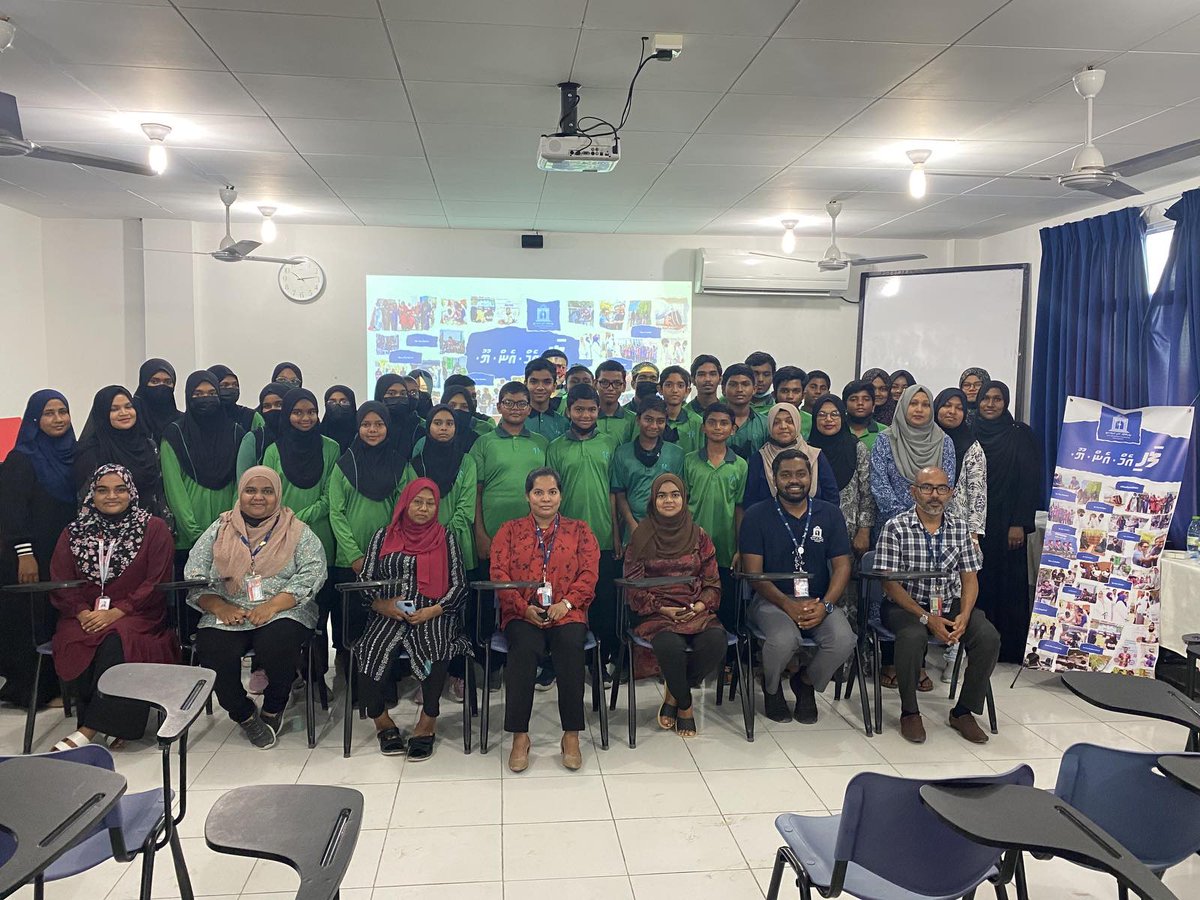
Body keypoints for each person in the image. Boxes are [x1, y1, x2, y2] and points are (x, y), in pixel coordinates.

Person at [186, 467, 325, 749]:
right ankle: (243, 713)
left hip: (284, 608)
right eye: (251, 490)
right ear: (240, 493)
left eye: (267, 491)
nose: (258, 497)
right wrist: (218, 606)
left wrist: (273, 605)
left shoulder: (297, 531)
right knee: (212, 646)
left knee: (278, 640)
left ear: (278, 494)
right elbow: (195, 575)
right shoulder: (220, 529)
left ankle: (274, 706)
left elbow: (313, 572)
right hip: (230, 607)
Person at [48, 465, 178, 749]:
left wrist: (117, 611)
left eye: (120, 489)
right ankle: (107, 723)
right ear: (91, 494)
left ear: (131, 492)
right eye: (102, 490)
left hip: (139, 614)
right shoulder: (74, 531)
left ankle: (89, 730)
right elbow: (61, 580)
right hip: (82, 615)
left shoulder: (153, 527)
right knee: (78, 640)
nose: (111, 496)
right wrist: (83, 612)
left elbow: (155, 581)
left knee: (117, 640)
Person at [874, 466, 999, 745]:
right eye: (927, 488)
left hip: (950, 602)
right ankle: (910, 712)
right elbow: (889, 584)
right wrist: (926, 617)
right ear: (913, 492)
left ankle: (964, 711)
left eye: (942, 489)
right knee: (912, 635)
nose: (935, 495)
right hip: (905, 606)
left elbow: (970, 579)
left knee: (988, 636)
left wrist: (965, 615)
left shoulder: (960, 528)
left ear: (951, 494)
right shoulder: (896, 527)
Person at [490, 468, 598, 773]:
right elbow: (498, 575)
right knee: (522, 650)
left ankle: (571, 735)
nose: (546, 498)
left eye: (552, 492)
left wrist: (566, 603)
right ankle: (520, 736)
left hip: (568, 611)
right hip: (521, 612)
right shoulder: (508, 530)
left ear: (561, 495)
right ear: (527, 496)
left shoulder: (580, 530)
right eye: (538, 492)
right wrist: (522, 608)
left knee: (570, 647)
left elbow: (589, 574)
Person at [355, 478, 469, 760]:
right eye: (417, 502)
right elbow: (366, 581)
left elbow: (459, 584)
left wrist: (434, 610)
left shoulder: (445, 537)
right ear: (405, 503)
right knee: (370, 647)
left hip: (432, 612)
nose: (424, 508)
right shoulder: (383, 536)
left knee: (436, 645)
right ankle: (380, 718)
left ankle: (428, 720)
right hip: (389, 612)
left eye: (430, 503)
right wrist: (383, 605)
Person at [740, 449, 856, 723]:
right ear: (774, 478)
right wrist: (786, 603)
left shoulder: (829, 514)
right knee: (783, 640)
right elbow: (754, 574)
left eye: (801, 474)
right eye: (786, 475)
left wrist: (826, 604)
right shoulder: (757, 515)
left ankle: (805, 683)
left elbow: (842, 566)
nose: (794, 480)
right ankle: (771, 688)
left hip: (818, 601)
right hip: (771, 600)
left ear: (810, 476)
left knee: (843, 640)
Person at [623, 473, 725, 736]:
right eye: (662, 495)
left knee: (715, 642)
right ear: (653, 500)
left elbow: (712, 582)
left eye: (675, 494)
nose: (669, 500)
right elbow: (632, 586)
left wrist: (701, 606)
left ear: (684, 498)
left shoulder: (699, 536)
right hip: (656, 612)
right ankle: (686, 706)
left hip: (694, 609)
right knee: (670, 645)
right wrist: (661, 608)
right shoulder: (640, 536)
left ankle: (674, 694)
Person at [0, 390, 77, 707]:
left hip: (62, 555)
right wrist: (24, 553)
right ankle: (31, 691)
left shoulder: (72, 456)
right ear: (34, 419)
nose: (58, 419)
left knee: (55, 618)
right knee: (30, 622)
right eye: (49, 413)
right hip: (29, 557)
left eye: (63, 411)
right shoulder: (22, 458)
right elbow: (12, 511)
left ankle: (58, 685)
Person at [261, 388, 340, 672]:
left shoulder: (330, 448)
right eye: (297, 412)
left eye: (311, 412)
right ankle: (287, 673)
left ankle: (316, 676)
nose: (305, 418)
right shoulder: (273, 451)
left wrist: (297, 520)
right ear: (287, 414)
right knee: (285, 608)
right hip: (279, 541)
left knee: (319, 610)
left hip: (320, 539)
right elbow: (267, 496)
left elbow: (330, 497)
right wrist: (286, 524)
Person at [329, 401, 410, 658]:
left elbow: (405, 513)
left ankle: (385, 680)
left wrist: (388, 551)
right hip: (349, 559)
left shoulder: (400, 465)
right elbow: (336, 513)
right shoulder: (344, 465)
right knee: (352, 623)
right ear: (358, 427)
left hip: (389, 557)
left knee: (387, 621)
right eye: (366, 424)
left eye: (378, 424)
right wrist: (354, 554)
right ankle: (351, 675)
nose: (372, 430)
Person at [547, 385, 621, 669]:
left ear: (598, 411)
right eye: (579, 409)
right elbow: (550, 495)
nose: (585, 414)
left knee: (603, 601)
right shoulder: (555, 448)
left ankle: (601, 660)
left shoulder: (609, 443)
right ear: (568, 411)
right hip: (566, 540)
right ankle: (565, 661)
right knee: (567, 599)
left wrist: (615, 534)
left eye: (591, 409)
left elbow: (615, 493)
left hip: (601, 535)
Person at [974, 381, 1041, 663]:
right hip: (976, 522)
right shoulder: (971, 433)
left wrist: (1019, 523)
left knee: (1009, 585)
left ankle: (1010, 648)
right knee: (977, 582)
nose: (990, 404)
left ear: (1006, 402)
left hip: (1008, 522)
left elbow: (1029, 481)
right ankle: (978, 645)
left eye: (997, 399)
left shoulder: (1020, 434)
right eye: (985, 399)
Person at [162, 371, 245, 563]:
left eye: (211, 393)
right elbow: (175, 490)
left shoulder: (235, 433)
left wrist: (230, 528)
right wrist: (194, 533)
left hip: (230, 537)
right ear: (188, 397)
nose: (205, 398)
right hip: (187, 539)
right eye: (197, 394)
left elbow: (240, 483)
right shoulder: (174, 435)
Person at [469, 381, 550, 567]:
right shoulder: (484, 443)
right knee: (491, 592)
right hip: (491, 532)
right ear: (498, 407)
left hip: (535, 534)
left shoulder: (542, 443)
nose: (515, 408)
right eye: (508, 403)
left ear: (529, 409)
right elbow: (476, 492)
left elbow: (550, 492)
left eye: (522, 404)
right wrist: (479, 534)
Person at [683, 404, 747, 633]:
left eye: (723, 423)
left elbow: (739, 509)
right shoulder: (689, 461)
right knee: (692, 601)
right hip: (691, 546)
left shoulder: (740, 465)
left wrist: (740, 547)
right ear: (703, 427)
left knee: (725, 604)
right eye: (712, 422)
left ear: (733, 429)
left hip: (725, 547)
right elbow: (682, 504)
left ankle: (727, 662)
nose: (717, 427)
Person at [72, 385, 169, 520]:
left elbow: (159, 491)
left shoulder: (148, 445)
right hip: (105, 531)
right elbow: (85, 500)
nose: (124, 413)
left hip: (149, 526)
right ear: (103, 414)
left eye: (128, 406)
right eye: (114, 409)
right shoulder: (92, 452)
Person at [870, 384, 956, 527]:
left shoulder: (944, 441)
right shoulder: (885, 439)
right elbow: (879, 484)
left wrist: (925, 517)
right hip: (891, 524)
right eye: (913, 403)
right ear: (903, 405)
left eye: (926, 405)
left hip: (932, 522)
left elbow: (946, 484)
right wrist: (904, 520)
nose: (919, 410)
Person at [807, 395, 875, 561]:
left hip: (850, 534)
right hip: (811, 531)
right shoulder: (806, 451)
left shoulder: (857, 448)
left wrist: (864, 531)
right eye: (822, 415)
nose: (828, 420)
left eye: (835, 414)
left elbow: (867, 493)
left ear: (843, 417)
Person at [611, 397, 686, 545]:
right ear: (638, 420)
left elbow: (680, 495)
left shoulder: (676, 454)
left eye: (660, 421)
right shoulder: (622, 453)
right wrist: (632, 524)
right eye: (648, 419)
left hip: (666, 528)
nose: (654, 425)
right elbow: (620, 494)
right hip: (632, 527)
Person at [743, 403, 840, 508]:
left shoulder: (815, 456)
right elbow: (751, 501)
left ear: (797, 424)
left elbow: (832, 499)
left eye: (790, 421)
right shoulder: (760, 458)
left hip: (815, 521)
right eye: (776, 423)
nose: (783, 426)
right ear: (770, 426)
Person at [934, 389, 987, 540]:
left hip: (958, 528)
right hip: (921, 522)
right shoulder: (924, 441)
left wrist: (974, 534)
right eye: (947, 405)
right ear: (937, 408)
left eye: (959, 408)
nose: (952, 411)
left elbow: (978, 495)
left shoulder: (972, 447)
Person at [236, 382, 290, 476]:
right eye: (267, 406)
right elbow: (243, 479)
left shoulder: (299, 436)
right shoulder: (253, 439)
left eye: (279, 404)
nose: (273, 409)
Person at [132, 358, 181, 443]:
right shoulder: (130, 419)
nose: (161, 386)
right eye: (154, 381)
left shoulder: (181, 423)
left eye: (167, 382)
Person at [659, 365, 703, 454]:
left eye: (680, 385)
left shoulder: (697, 422)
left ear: (687, 391)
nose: (674, 390)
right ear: (660, 389)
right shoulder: (652, 420)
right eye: (668, 385)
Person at [375, 373, 425, 450]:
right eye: (391, 393)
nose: (398, 397)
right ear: (380, 395)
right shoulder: (371, 426)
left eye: (403, 393)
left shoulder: (418, 428)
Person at [524, 357, 568, 441]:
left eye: (546, 382)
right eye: (534, 382)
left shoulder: (563, 423)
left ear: (554, 386)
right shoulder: (515, 419)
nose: (540, 387)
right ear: (526, 384)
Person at [208, 365, 260, 434]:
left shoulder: (250, 416)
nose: (231, 388)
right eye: (224, 385)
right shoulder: (201, 417)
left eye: (235, 385)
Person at [594, 360, 637, 443]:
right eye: (604, 382)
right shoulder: (585, 418)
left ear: (624, 386)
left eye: (617, 383)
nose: (610, 388)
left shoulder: (634, 420)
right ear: (595, 384)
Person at [842, 379, 888, 449]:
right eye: (853, 399)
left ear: (873, 404)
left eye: (866, 399)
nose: (860, 403)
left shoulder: (885, 432)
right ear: (845, 404)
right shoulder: (838, 429)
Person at [319, 385, 359, 453]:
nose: (337, 406)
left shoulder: (361, 435)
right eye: (332, 402)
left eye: (344, 402)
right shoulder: (319, 434)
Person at [773, 366, 811, 435]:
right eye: (784, 391)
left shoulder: (812, 422)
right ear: (775, 393)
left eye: (796, 391)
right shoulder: (764, 420)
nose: (790, 396)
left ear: (803, 395)